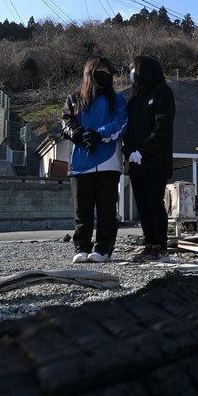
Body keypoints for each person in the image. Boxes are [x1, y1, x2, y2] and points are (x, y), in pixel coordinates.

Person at [61, 56, 127, 263]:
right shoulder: (73, 99)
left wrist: (99, 134)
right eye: (99, 69)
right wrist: (80, 134)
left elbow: (121, 122)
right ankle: (81, 246)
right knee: (82, 209)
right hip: (80, 162)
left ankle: (104, 249)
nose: (104, 73)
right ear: (89, 72)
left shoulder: (117, 100)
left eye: (108, 70)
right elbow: (66, 122)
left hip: (109, 162)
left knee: (107, 209)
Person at [123, 55, 175, 261]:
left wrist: (143, 151)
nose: (131, 74)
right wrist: (129, 152)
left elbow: (161, 128)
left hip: (156, 162)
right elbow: (127, 130)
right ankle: (149, 244)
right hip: (136, 163)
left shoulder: (163, 92)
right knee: (142, 205)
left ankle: (160, 247)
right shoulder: (134, 99)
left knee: (154, 202)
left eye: (133, 69)